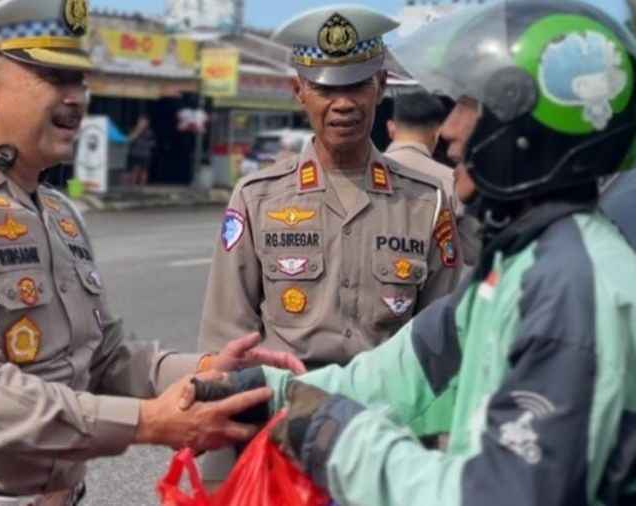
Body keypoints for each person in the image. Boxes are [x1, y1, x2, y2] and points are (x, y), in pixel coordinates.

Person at [194, 1, 636, 504]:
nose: (449, 132)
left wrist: (334, 433)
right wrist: (267, 389)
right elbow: (403, 372)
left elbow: (500, 496)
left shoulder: (570, 290)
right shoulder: (523, 267)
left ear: (525, 128)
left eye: (469, 106)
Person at [0, 1, 304, 505]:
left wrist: (206, 369)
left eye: (81, 81)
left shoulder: (56, 212)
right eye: (56, 77)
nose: (77, 99)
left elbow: (104, 357)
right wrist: (149, 423)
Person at [196, 4, 463, 484]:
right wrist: (221, 480)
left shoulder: (427, 203)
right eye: (325, 88)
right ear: (298, 91)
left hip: (387, 445)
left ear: (381, 87)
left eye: (356, 85)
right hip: (283, 443)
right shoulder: (257, 199)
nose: (343, 103)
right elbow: (225, 342)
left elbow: (441, 353)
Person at [385, 89, 482, 267]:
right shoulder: (455, 182)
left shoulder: (356, 175)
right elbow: (474, 253)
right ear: (437, 134)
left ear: (391, 128)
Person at [127, 114, 154, 186]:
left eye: (144, 122)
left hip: (145, 154)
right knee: (134, 170)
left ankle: (142, 185)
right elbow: (129, 140)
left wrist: (146, 145)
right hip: (135, 153)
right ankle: (132, 185)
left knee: (144, 171)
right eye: (141, 121)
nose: (143, 123)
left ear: (147, 123)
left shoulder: (150, 132)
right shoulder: (133, 129)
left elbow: (153, 143)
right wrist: (138, 131)